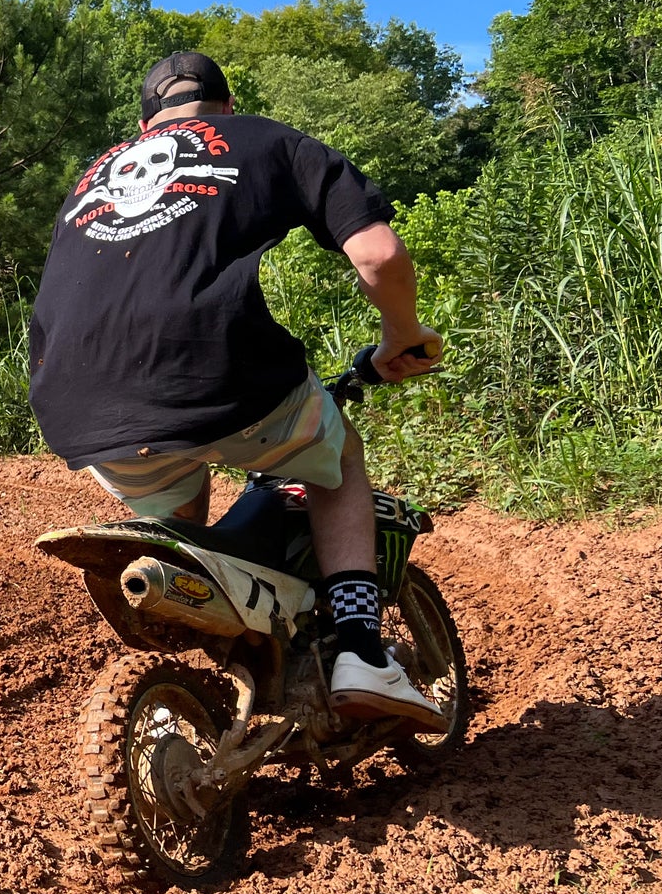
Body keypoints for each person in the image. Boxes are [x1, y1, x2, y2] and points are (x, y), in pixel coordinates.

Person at [27, 51, 445, 728]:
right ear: (225, 108)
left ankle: (192, 692)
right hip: (212, 366)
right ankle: (363, 653)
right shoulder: (262, 137)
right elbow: (379, 255)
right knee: (337, 463)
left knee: (178, 527)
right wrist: (401, 336)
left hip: (76, 401)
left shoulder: (91, 179)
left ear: (144, 126)